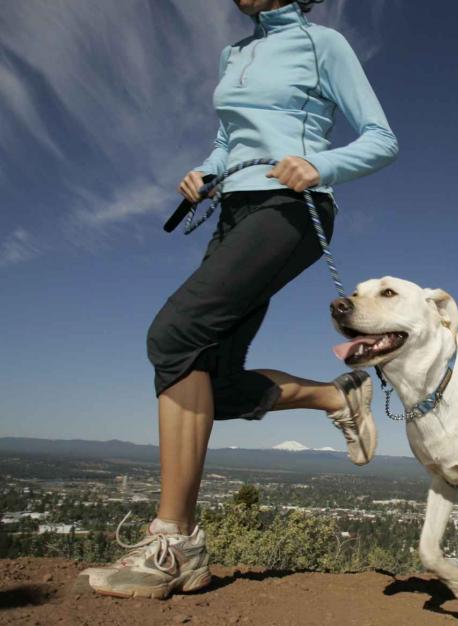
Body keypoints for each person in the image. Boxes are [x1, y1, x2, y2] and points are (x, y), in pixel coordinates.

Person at [78, 0, 399, 599]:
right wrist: (206, 171)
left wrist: (320, 163)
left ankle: (175, 541)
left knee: (173, 335)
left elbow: (382, 140)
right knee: (213, 382)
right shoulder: (235, 53)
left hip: (291, 209)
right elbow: (230, 138)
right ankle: (338, 396)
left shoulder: (321, 43)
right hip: (234, 210)